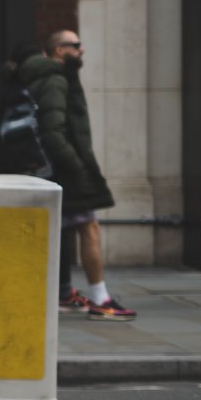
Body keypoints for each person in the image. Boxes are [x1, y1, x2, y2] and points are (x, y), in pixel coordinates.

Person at [22, 30, 132, 320]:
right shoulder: (56, 79)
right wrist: (76, 165)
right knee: (89, 228)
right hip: (66, 172)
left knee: (59, 231)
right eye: (76, 45)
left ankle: (62, 292)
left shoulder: (50, 76)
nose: (82, 50)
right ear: (59, 50)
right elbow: (53, 131)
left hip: (55, 170)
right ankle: (100, 299)